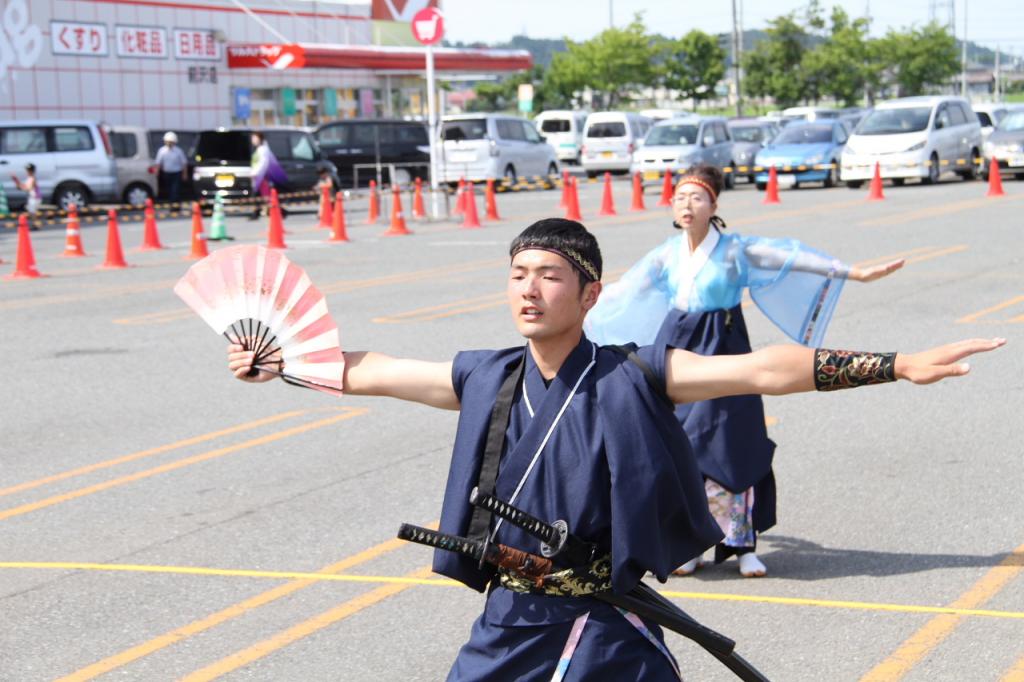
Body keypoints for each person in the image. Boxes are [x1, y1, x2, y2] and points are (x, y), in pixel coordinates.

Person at [226, 218, 1002, 681]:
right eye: (519, 274)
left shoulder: (634, 373)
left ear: (590, 294)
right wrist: (284, 362)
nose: (530, 289)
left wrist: (895, 365)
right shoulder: (487, 376)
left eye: (551, 276)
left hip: (601, 625)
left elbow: (765, 367)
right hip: (507, 617)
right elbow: (379, 371)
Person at [585, 165, 905, 578]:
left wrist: (852, 271)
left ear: (714, 205)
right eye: (680, 197)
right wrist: (580, 308)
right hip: (678, 347)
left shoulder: (736, 250)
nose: (687, 205)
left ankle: (743, 544)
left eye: (696, 197)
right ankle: (690, 543)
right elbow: (624, 291)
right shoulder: (666, 254)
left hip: (726, 342)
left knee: (736, 442)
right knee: (680, 443)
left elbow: (789, 256)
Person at [249, 131, 287, 220]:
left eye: (255, 138)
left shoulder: (263, 149)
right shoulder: (259, 149)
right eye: (252, 138)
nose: (253, 140)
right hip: (258, 177)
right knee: (260, 196)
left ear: (260, 139)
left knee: (263, 196)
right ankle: (256, 213)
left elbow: (263, 163)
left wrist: (255, 173)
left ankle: (281, 211)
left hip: (262, 177)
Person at [154, 131, 188, 204]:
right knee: (169, 189)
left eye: (171, 141)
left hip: (176, 173)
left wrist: (185, 174)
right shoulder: (162, 150)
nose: (169, 143)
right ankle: (171, 203)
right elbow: (158, 163)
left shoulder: (178, 151)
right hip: (166, 173)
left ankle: (175, 205)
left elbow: (184, 163)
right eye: (167, 141)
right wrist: (157, 172)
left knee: (175, 190)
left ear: (174, 142)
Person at [11, 163, 42, 228]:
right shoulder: (29, 178)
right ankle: (35, 224)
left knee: (32, 212)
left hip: (35, 197)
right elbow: (24, 186)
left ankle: (37, 225)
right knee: (31, 212)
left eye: (28, 170)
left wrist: (20, 187)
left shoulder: (33, 178)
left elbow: (28, 188)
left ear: (31, 171)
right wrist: (17, 181)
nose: (27, 172)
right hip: (32, 197)